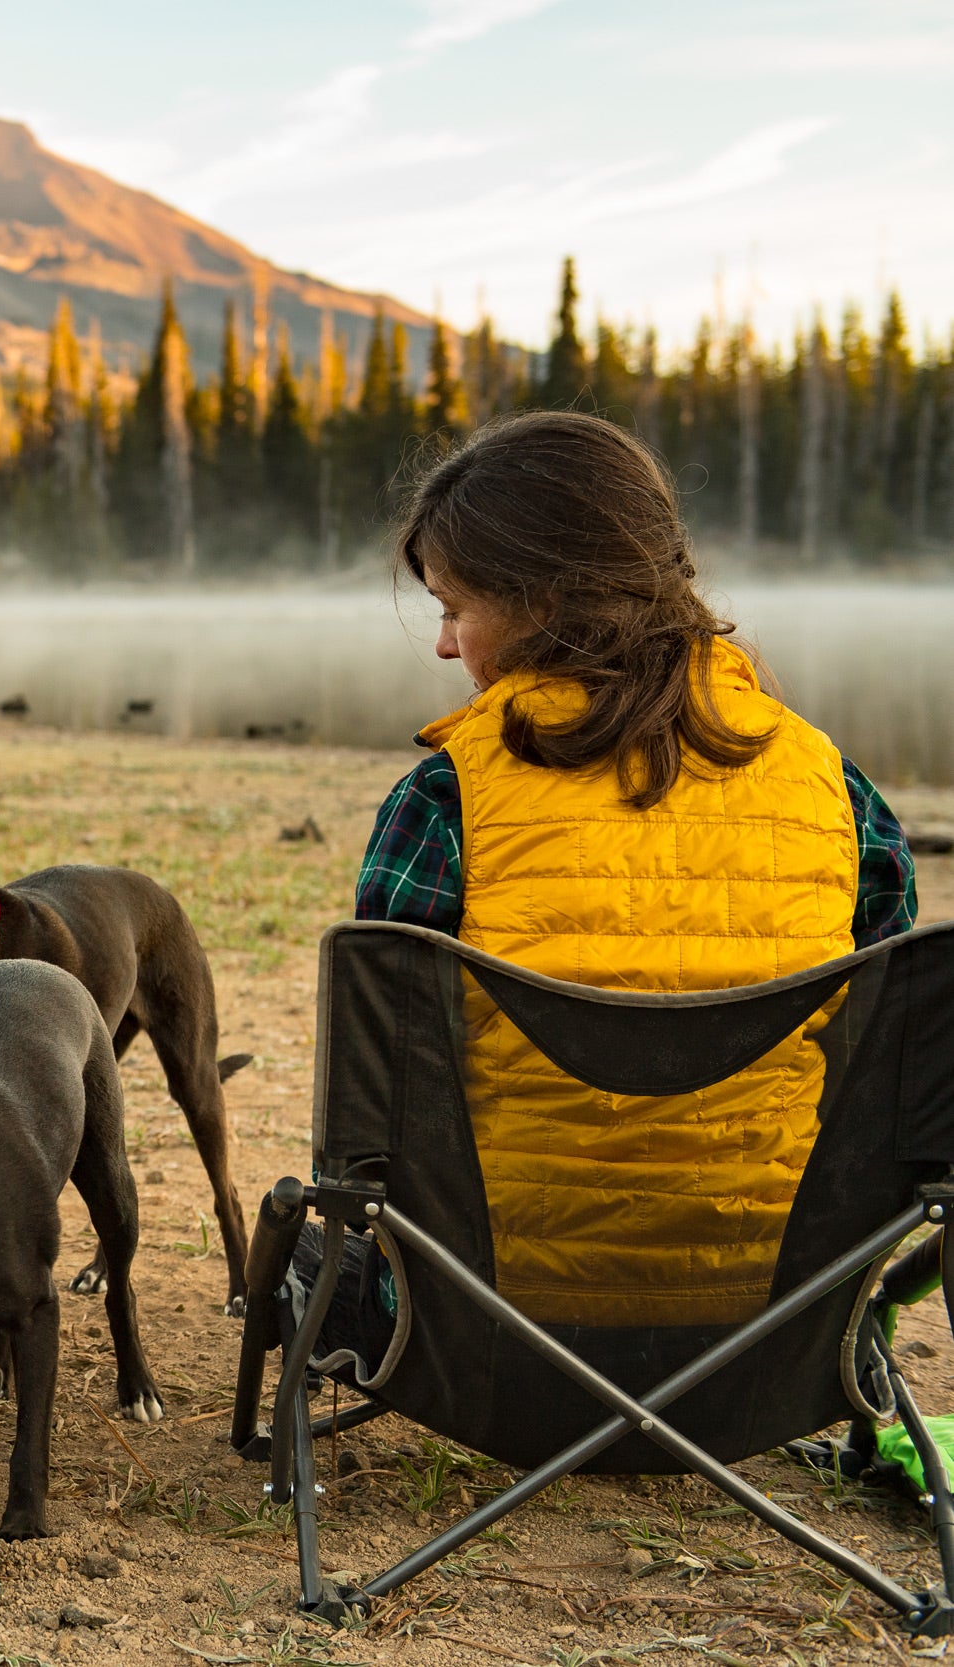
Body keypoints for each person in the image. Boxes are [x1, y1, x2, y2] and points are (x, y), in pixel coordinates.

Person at [303, 410, 916, 1356]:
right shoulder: (833, 786)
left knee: (312, 1258)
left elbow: (384, 1088)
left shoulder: (446, 797)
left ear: (541, 598)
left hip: (486, 1329)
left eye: (453, 608)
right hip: (781, 1324)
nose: (441, 646)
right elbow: (884, 1053)